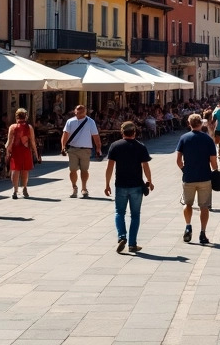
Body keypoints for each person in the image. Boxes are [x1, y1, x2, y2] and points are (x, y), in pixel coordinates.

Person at [104, 121, 154, 253]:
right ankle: (132, 244)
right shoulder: (140, 147)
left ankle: (122, 236)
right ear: (135, 133)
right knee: (135, 215)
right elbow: (145, 166)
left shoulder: (115, 146)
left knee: (119, 212)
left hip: (120, 185)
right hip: (136, 185)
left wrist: (107, 184)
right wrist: (150, 180)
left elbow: (110, 167)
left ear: (122, 132)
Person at [176, 113, 218, 245]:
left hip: (188, 177)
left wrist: (184, 170)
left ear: (189, 124)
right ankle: (202, 233)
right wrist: (215, 172)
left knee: (187, 204)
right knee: (204, 206)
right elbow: (213, 161)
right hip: (204, 176)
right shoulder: (207, 139)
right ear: (201, 123)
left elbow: (178, 160)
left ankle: (188, 226)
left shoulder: (184, 138)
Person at [61, 104, 101, 198]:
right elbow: (65, 135)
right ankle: (74, 188)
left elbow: (95, 136)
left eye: (82, 111)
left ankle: (84, 188)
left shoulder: (90, 122)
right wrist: (63, 146)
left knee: (84, 170)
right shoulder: (70, 121)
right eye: (78, 111)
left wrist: (98, 148)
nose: (79, 113)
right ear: (75, 111)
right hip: (73, 149)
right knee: (73, 169)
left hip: (85, 149)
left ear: (85, 112)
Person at [6, 108, 39, 199]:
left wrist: (7, 152)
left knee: (15, 170)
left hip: (15, 150)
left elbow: (9, 141)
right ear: (26, 116)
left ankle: (15, 190)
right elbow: (32, 141)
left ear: (16, 116)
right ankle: (24, 187)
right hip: (25, 150)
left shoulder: (12, 127)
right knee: (25, 170)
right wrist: (36, 153)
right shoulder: (29, 127)